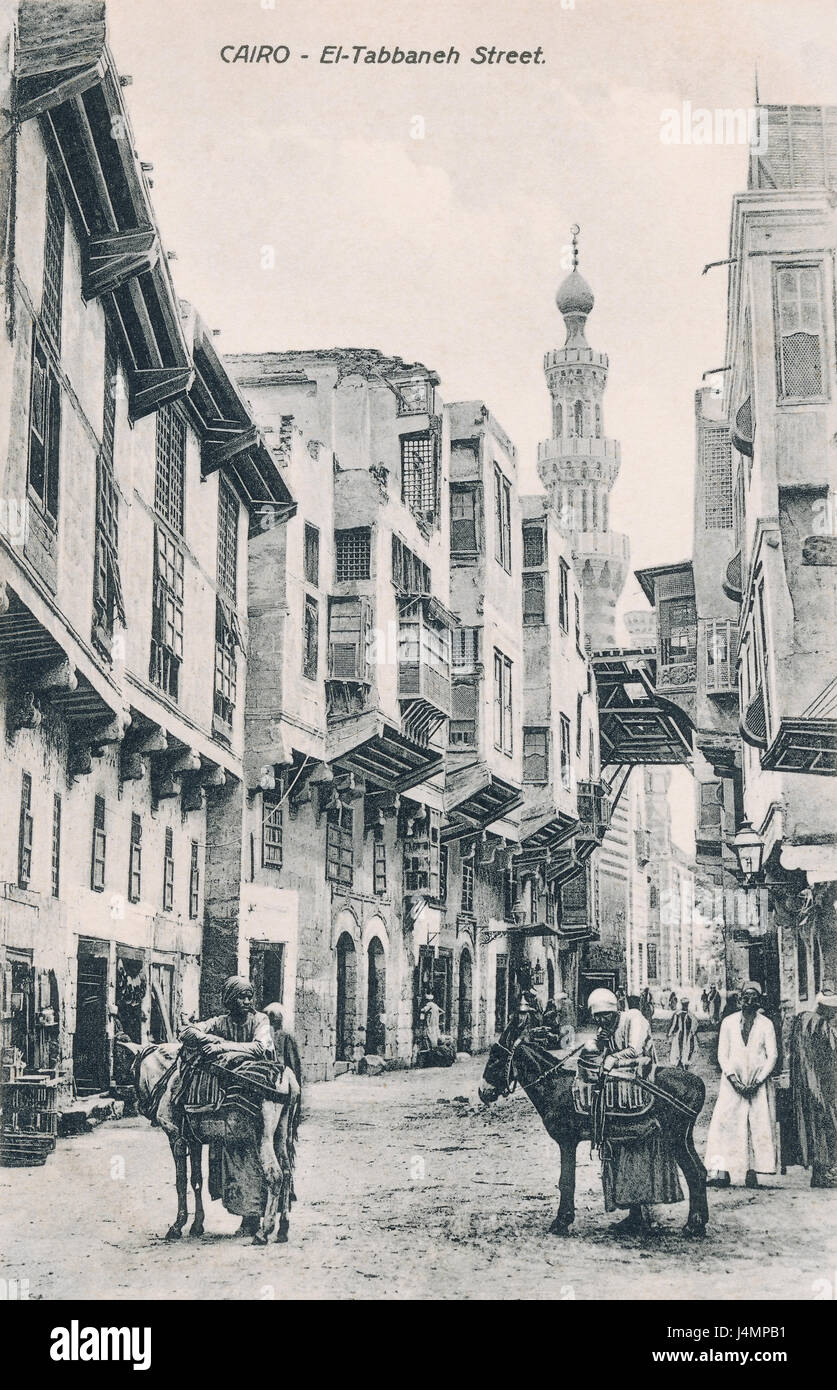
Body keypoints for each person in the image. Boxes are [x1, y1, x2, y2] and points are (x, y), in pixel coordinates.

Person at [179, 975, 275, 1236]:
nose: (246, 1001)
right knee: (230, 1152)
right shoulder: (219, 1022)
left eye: (249, 996)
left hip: (256, 1089)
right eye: (241, 997)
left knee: (250, 1151)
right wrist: (203, 1037)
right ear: (230, 999)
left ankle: (254, 1217)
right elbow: (186, 1032)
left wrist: (223, 1046)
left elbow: (260, 1048)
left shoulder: (260, 1020)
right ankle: (246, 1215)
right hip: (228, 1095)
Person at [588, 987, 681, 1233]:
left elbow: (635, 1051)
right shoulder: (605, 1028)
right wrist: (599, 1044)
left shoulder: (634, 1018)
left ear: (614, 1010)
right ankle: (633, 1211)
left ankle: (646, 1211)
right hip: (620, 1089)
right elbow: (601, 1053)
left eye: (605, 1016)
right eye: (597, 1017)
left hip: (643, 1080)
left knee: (644, 1146)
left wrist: (612, 1059)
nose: (601, 1021)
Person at [704, 981, 778, 1189]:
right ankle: (720, 1171)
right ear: (739, 1000)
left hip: (758, 1084)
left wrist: (758, 1080)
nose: (749, 1001)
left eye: (754, 998)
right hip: (732, 1084)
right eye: (746, 997)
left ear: (759, 1002)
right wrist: (733, 1079)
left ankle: (752, 1171)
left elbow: (772, 1055)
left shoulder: (766, 1024)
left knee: (757, 1125)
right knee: (724, 1123)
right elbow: (722, 1055)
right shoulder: (728, 1023)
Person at [788, 982, 837, 1188]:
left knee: (813, 1126)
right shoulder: (822, 1026)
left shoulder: (801, 1020)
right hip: (823, 1084)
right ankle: (825, 1173)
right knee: (827, 1125)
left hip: (804, 1084)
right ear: (827, 1009)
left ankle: (819, 1173)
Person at [264, 1003, 302, 1087]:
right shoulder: (265, 1034)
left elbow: (293, 1061)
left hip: (282, 1071)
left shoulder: (286, 1037)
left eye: (273, 1016)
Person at [667, 996, 698, 1069]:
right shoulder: (682, 1014)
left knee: (684, 1048)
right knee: (682, 1048)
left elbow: (673, 1025)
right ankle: (682, 1062)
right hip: (682, 1035)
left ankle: (682, 1062)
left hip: (685, 1035)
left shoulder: (687, 1015)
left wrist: (670, 1033)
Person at [417, 990, 441, 1067]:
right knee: (434, 1040)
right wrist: (436, 1015)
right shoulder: (435, 1005)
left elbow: (422, 1010)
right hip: (435, 1025)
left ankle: (430, 1059)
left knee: (428, 1040)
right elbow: (442, 1012)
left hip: (430, 1025)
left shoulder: (429, 1005)